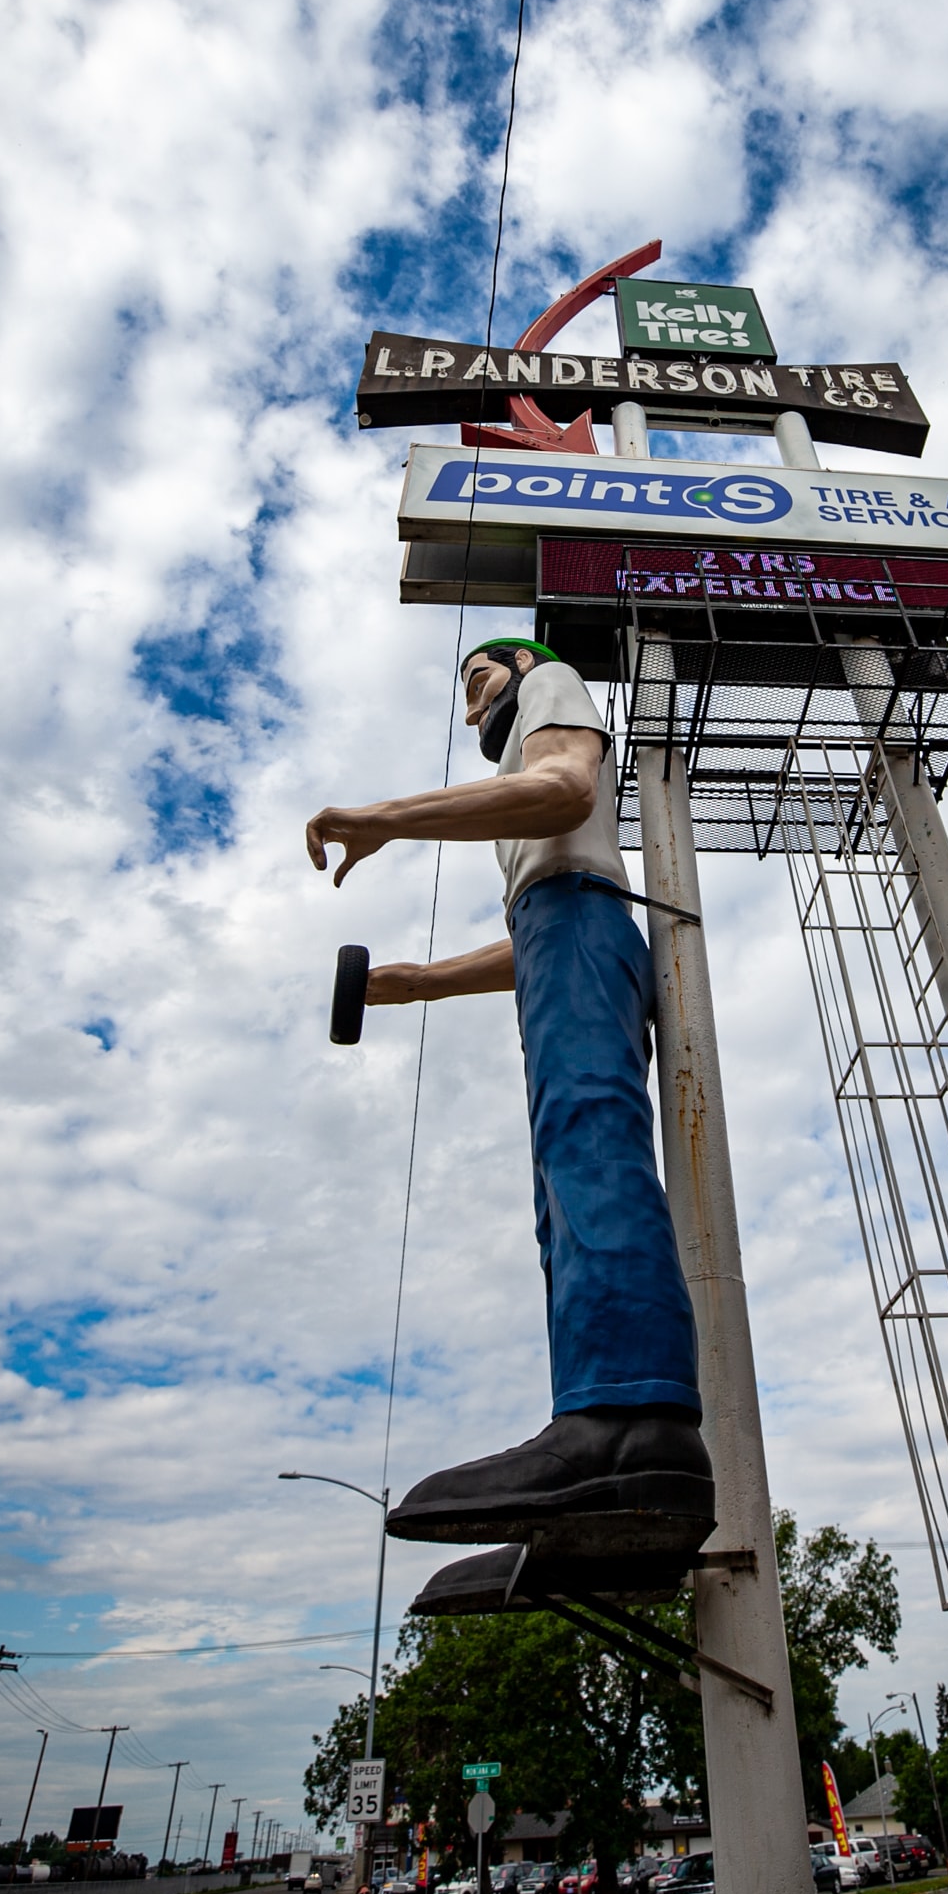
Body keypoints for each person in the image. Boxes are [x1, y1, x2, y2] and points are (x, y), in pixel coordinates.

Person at [306, 639, 713, 1556]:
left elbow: (568, 794)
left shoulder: (556, 689)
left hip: (577, 926)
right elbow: (542, 911)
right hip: (556, 934)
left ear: (525, 666)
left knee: (591, 1148)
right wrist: (416, 982)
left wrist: (388, 817)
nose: (469, 709)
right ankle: (597, 1436)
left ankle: (632, 1422)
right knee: (559, 1195)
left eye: (478, 681)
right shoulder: (515, 799)